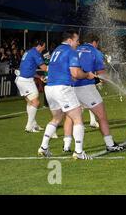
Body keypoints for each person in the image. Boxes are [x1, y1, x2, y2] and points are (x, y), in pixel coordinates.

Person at [37, 30, 95, 160]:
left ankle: (43, 147)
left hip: (50, 88)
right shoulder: (71, 51)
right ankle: (79, 152)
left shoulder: (57, 50)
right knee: (77, 118)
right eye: (77, 40)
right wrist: (87, 74)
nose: (78, 43)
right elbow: (75, 73)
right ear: (70, 40)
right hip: (61, 88)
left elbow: (60, 71)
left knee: (56, 118)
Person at [63, 34, 124, 153]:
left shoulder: (73, 49)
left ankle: (67, 146)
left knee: (71, 117)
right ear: (95, 42)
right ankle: (110, 144)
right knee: (101, 116)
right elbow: (101, 73)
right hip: (86, 87)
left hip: (70, 87)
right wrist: (110, 80)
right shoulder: (95, 52)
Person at [15, 40, 47, 132]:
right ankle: (29, 126)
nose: (44, 48)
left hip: (22, 79)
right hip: (25, 81)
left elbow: (28, 69)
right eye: (44, 46)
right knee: (35, 102)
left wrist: (39, 76)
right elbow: (44, 68)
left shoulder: (29, 52)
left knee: (30, 102)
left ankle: (34, 124)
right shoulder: (35, 53)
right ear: (40, 46)